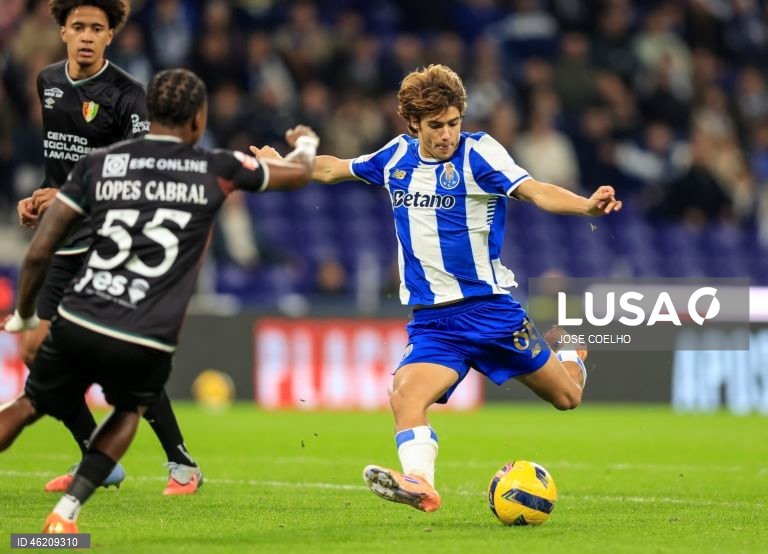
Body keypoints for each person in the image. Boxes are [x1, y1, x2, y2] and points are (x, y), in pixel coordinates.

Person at [252, 64, 621, 513]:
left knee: (567, 398)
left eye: (453, 123)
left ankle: (571, 353)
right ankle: (420, 483)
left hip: (490, 311)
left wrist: (586, 206)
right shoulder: (396, 157)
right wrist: (287, 164)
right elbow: (333, 170)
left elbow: (535, 191)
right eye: (436, 126)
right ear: (413, 123)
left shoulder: (480, 154)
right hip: (434, 323)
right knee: (405, 395)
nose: (447, 135)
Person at [1, 67, 319, 533]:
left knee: (29, 403)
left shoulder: (100, 163)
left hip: (80, 313)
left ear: (148, 116)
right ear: (199, 119)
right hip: (145, 330)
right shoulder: (217, 166)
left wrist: (27, 315)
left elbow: (39, 252)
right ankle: (66, 515)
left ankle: (88, 500)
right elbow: (301, 172)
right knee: (128, 410)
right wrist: (306, 141)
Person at [16, 0, 203, 495]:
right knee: (35, 350)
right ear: (62, 31)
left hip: (110, 242)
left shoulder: (128, 95)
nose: (86, 36)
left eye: (96, 28)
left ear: (110, 36)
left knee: (120, 358)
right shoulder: (48, 81)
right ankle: (95, 455)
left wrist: (65, 196)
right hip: (63, 241)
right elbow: (60, 165)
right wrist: (41, 197)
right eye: (77, 26)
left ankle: (182, 463)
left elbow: (139, 175)